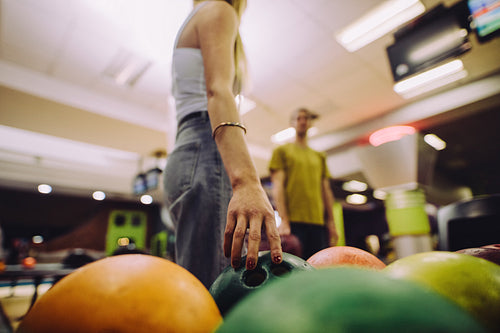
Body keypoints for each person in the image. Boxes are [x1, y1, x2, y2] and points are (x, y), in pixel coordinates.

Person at [163, 0, 282, 289]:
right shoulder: (218, 9)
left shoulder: (199, 16)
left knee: (198, 289)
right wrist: (247, 182)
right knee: (216, 292)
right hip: (206, 148)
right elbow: (218, 91)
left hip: (189, 151)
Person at [269, 108, 338, 260]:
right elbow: (278, 186)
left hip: (318, 223)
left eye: (306, 118)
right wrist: (284, 220)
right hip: (293, 223)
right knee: (296, 268)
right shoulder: (282, 151)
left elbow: (326, 190)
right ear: (292, 123)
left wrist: (331, 223)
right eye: (298, 118)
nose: (302, 121)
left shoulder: (319, 156)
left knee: (317, 266)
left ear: (310, 123)